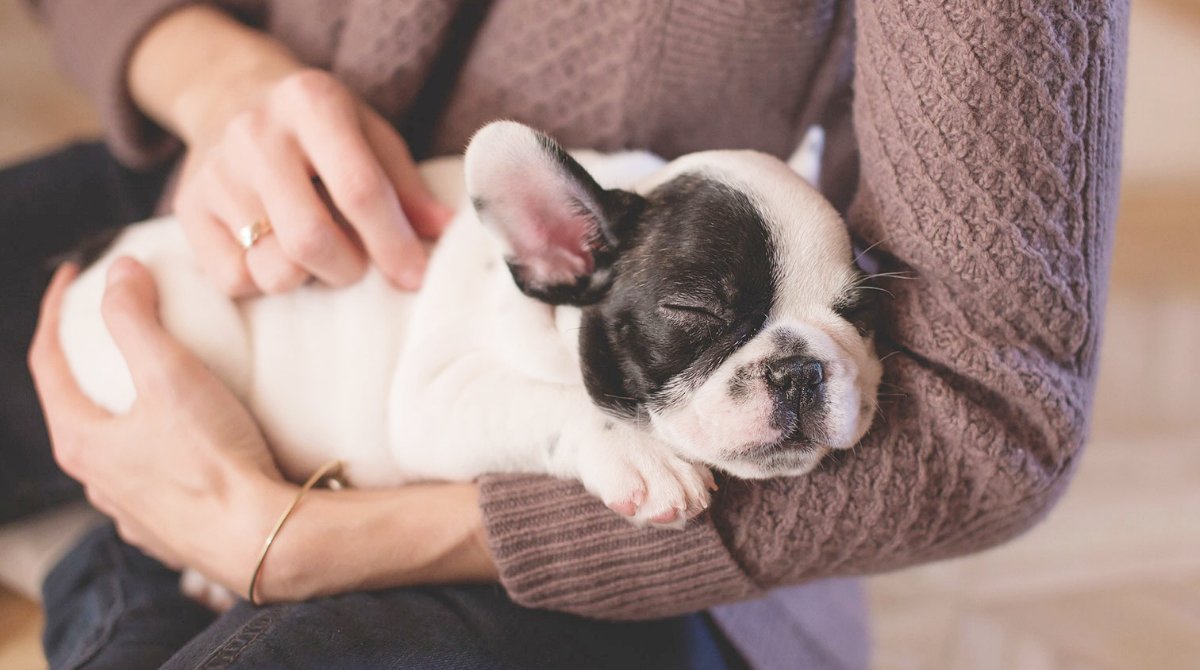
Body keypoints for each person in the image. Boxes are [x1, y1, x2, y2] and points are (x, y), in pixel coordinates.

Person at [3, 1, 1127, 668]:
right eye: (707, 330)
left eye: (846, 318)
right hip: (234, 214)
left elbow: (994, 411)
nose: (790, 368)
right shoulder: (573, 245)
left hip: (569, 540)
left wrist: (292, 542)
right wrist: (204, 65)